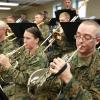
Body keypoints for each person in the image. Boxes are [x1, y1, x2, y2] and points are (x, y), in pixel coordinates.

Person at [49, 20, 100, 99]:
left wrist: (68, 78)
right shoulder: (68, 56)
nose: (80, 41)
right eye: (78, 35)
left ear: (97, 41)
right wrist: (54, 75)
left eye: (87, 37)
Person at [0, 26, 48, 100]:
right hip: (17, 85)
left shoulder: (40, 58)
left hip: (30, 91)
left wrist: (8, 66)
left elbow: (26, 81)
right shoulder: (25, 51)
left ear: (37, 40)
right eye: (24, 37)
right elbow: (17, 67)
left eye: (28, 38)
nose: (24, 41)